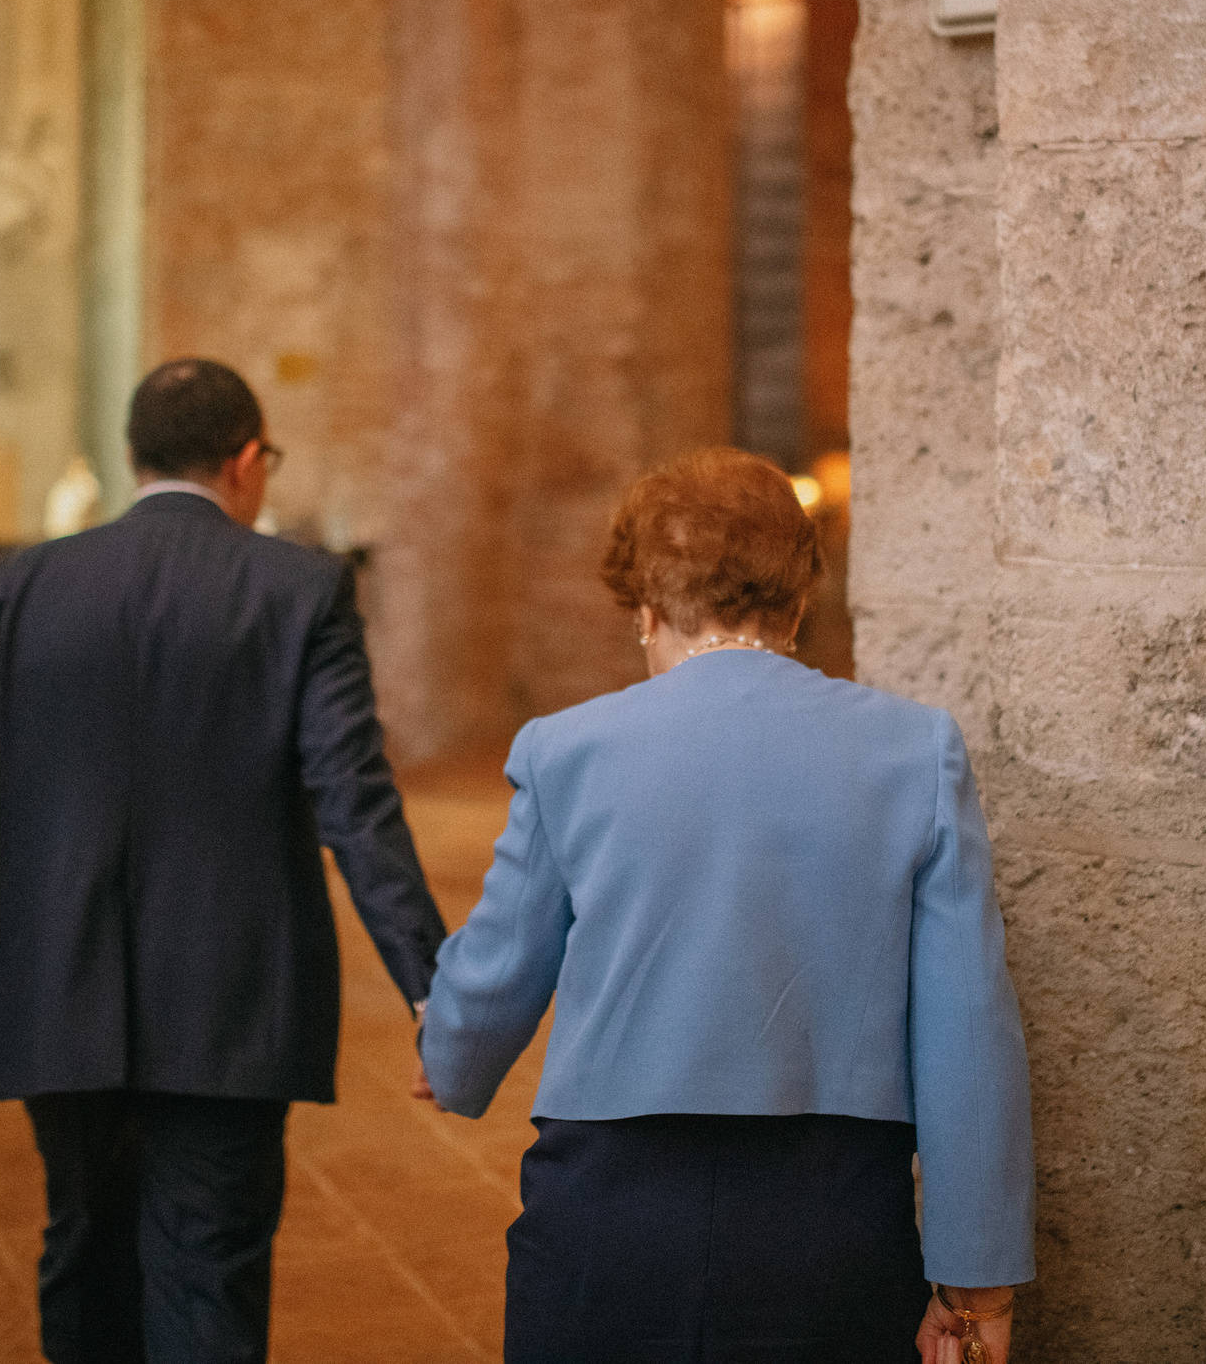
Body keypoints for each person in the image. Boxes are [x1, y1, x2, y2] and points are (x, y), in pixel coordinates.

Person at [0, 358, 447, 1364]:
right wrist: (436, 990)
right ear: (246, 460)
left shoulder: (14, 590)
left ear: (133, 459)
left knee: (84, 1248)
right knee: (207, 1268)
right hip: (234, 1003)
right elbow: (356, 801)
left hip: (56, 993)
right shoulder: (298, 589)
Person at [416, 447, 1035, 1364]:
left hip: (608, 1217)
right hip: (828, 1221)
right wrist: (974, 1289)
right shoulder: (917, 753)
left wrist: (450, 1051)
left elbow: (499, 967)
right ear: (798, 598)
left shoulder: (567, 750)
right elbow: (968, 1033)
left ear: (647, 608)